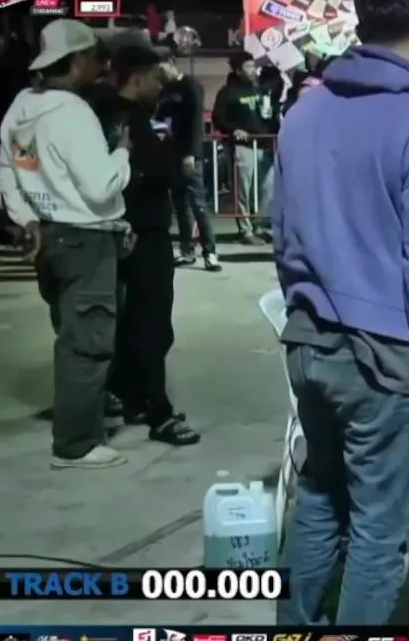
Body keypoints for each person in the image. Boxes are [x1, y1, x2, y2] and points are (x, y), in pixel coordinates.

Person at [273, 0, 409, 625]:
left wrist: (306, 302)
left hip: (308, 341)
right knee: (380, 532)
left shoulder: (306, 111)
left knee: (320, 497)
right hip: (381, 360)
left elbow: (281, 231)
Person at [0, 19, 133, 469]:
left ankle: (82, 423)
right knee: (87, 343)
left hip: (49, 237)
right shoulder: (72, 113)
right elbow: (100, 187)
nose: (99, 63)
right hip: (86, 239)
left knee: (71, 335)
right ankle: (76, 445)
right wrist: (123, 153)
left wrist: (27, 219)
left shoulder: (22, 109)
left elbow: (12, 171)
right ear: (75, 61)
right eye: (93, 55)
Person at [94, 44, 201, 445]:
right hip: (141, 230)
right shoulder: (127, 121)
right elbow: (161, 172)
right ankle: (158, 411)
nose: (161, 85)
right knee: (152, 323)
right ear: (137, 78)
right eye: (155, 78)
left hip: (129, 228)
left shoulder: (109, 115)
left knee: (135, 322)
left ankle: (131, 394)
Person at [160, 50, 220, 271]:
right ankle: (187, 250)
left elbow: (196, 122)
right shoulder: (164, 90)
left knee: (198, 204)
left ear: (170, 63)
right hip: (171, 152)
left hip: (189, 154)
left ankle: (210, 251)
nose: (159, 73)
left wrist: (191, 153)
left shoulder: (191, 86)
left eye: (161, 68)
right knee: (180, 205)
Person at [213, 51, 275, 245]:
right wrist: (233, 130)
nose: (252, 70)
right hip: (242, 147)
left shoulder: (261, 90)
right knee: (243, 191)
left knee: (265, 189)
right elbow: (218, 117)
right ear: (238, 70)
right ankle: (246, 231)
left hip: (263, 145)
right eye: (248, 67)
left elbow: (269, 116)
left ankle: (260, 226)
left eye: (253, 66)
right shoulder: (227, 92)